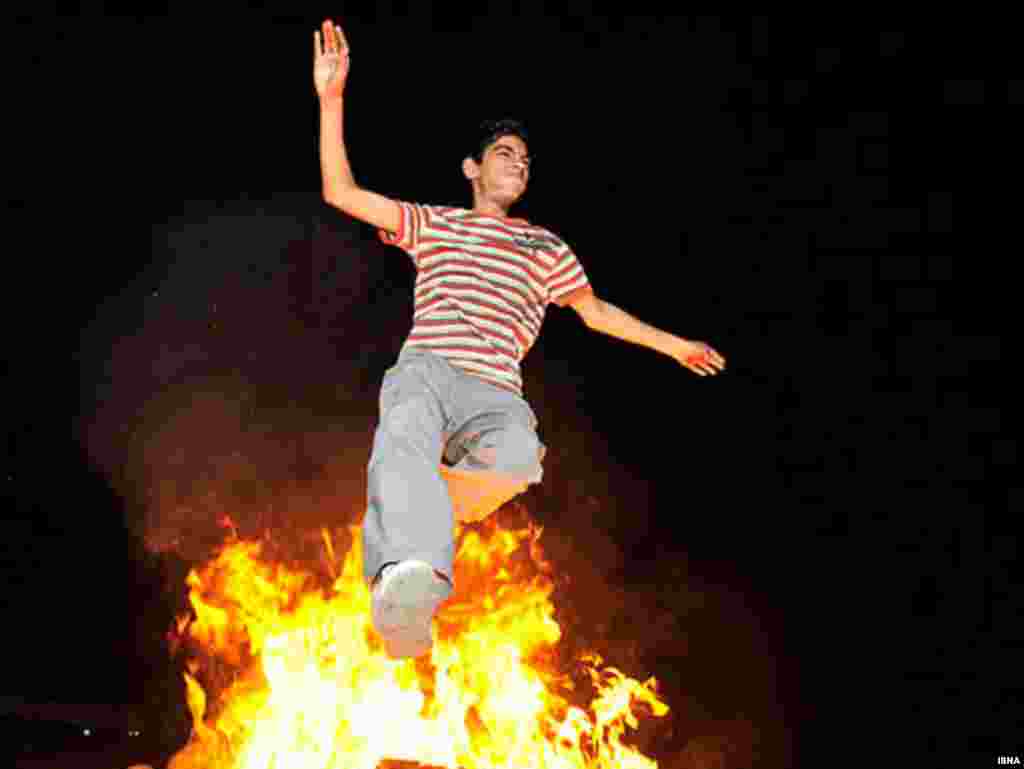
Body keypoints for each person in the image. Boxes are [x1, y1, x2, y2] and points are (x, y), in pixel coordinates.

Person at [313, 19, 726, 659]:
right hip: (428, 367)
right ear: (472, 169)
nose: (520, 165)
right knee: (402, 436)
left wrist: (674, 345)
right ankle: (404, 587)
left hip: (495, 392)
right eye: (506, 154)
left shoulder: (544, 246)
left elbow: (595, 313)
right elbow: (340, 192)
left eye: (527, 161)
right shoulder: (436, 223)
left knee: (518, 461)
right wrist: (332, 99)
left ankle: (421, 503)